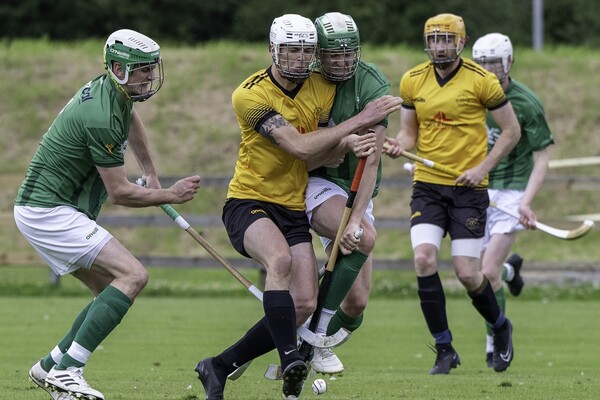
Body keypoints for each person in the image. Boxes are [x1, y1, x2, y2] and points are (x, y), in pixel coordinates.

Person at [194, 14, 402, 400]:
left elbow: (324, 143)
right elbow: (300, 146)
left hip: (291, 205)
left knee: (304, 302)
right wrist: (362, 121)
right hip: (250, 200)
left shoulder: (320, 87)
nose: (299, 57)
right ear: (273, 49)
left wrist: (352, 142)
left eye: (306, 50)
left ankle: (219, 365)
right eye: (291, 49)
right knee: (281, 262)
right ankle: (293, 356)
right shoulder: (249, 94)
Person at [14, 29, 201, 400]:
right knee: (133, 275)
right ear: (118, 68)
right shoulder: (100, 115)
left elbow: (132, 123)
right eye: (142, 70)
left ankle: (50, 366)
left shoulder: (114, 93)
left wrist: (151, 171)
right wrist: (170, 195)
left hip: (50, 209)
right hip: (49, 211)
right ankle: (69, 370)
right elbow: (119, 193)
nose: (149, 77)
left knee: (106, 291)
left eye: (151, 69)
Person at [384, 13, 521, 374]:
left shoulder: (483, 80)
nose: (440, 46)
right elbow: (409, 133)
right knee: (424, 260)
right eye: (434, 40)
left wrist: (482, 168)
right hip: (428, 186)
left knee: (467, 273)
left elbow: (511, 131)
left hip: (469, 190)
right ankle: (444, 348)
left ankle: (501, 325)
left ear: (460, 42)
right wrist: (398, 145)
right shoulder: (412, 80)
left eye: (447, 39)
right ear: (426, 43)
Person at [303, 11, 391, 375]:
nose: (341, 61)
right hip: (315, 180)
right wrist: (355, 225)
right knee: (364, 236)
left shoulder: (371, 84)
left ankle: (304, 347)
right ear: (319, 54)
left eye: (348, 53)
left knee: (356, 303)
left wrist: (356, 216)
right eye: (333, 54)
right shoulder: (305, 82)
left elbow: (371, 159)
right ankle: (314, 337)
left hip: (358, 187)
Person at [472, 32, 554, 368]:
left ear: (508, 62)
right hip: (478, 190)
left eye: (494, 62)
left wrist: (526, 202)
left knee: (486, 272)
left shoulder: (526, 104)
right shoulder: (470, 97)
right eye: (482, 64)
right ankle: (511, 271)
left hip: (513, 191)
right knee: (478, 273)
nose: (489, 70)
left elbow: (543, 157)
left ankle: (496, 340)